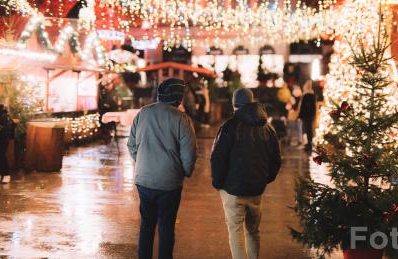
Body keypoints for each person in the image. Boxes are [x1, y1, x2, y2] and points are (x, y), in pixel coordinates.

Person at [127, 78, 197, 259]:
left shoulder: (142, 113)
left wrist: (143, 163)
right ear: (177, 98)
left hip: (144, 180)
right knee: (166, 226)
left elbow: (131, 145)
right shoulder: (182, 119)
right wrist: (184, 172)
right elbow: (189, 154)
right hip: (170, 184)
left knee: (146, 226)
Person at [211, 88, 282, 259]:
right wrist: (265, 179)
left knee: (235, 231)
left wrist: (218, 183)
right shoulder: (267, 128)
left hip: (232, 190)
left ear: (234, 104)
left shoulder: (229, 127)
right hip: (257, 190)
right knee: (253, 231)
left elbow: (218, 159)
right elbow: (276, 160)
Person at [298, 81, 317, 152]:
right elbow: (313, 107)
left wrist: (300, 115)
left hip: (305, 116)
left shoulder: (306, 95)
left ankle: (308, 145)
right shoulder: (312, 95)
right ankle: (309, 144)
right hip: (310, 115)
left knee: (306, 130)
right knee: (309, 130)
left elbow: (303, 107)